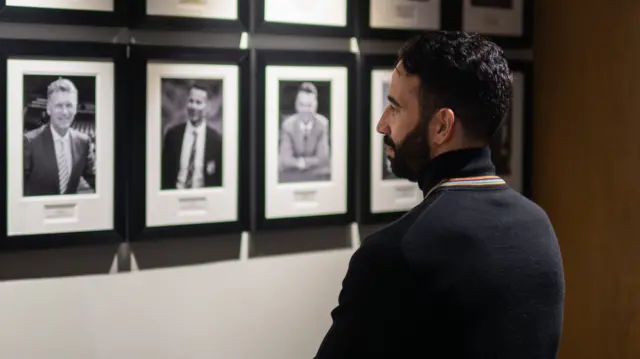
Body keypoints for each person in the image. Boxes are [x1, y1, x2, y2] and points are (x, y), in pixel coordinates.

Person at [314, 31, 565, 358]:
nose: (382, 124)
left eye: (395, 108)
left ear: (442, 126)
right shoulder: (538, 226)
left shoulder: (395, 253)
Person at [23, 78, 96, 196]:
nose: (65, 112)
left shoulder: (84, 142)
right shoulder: (29, 142)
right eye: (59, 106)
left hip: (70, 213)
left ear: (76, 108)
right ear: (48, 109)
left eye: (69, 105)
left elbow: (99, 182)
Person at [161, 82, 222, 190]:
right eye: (191, 101)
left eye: (198, 102)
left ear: (207, 107)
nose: (193, 106)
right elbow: (163, 175)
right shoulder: (172, 135)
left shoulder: (216, 141)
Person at [278, 82, 330, 183]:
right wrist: (307, 163)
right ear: (296, 105)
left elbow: (323, 158)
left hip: (316, 178)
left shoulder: (323, 124)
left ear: (316, 105)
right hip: (292, 178)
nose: (306, 110)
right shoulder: (287, 125)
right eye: (302, 105)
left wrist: (300, 163)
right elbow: (285, 160)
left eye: (309, 105)